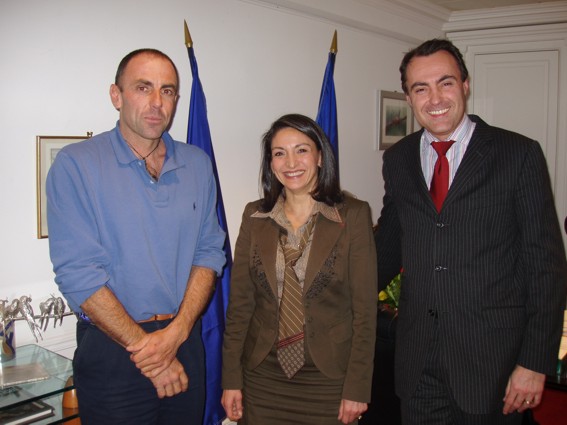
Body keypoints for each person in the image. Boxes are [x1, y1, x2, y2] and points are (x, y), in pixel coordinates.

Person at [375, 38, 567, 425]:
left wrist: (534, 362)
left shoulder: (519, 154)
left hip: (493, 364)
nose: (435, 98)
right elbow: (388, 249)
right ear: (409, 98)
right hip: (418, 364)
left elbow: (546, 267)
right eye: (420, 88)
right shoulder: (398, 159)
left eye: (445, 82)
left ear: (465, 85)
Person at [46, 48, 226, 424]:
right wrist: (153, 355)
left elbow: (209, 252)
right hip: (115, 351)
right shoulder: (77, 164)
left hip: (184, 339)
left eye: (168, 90)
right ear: (117, 95)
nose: (157, 102)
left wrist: (175, 335)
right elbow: (78, 274)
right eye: (143, 87)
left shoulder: (197, 163)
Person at [221, 114, 377, 424]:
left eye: (301, 150)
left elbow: (364, 312)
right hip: (262, 375)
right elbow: (240, 307)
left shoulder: (354, 216)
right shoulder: (255, 216)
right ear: (271, 163)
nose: (291, 162)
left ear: (320, 156)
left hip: (327, 378)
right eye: (279, 153)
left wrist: (358, 387)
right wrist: (231, 378)